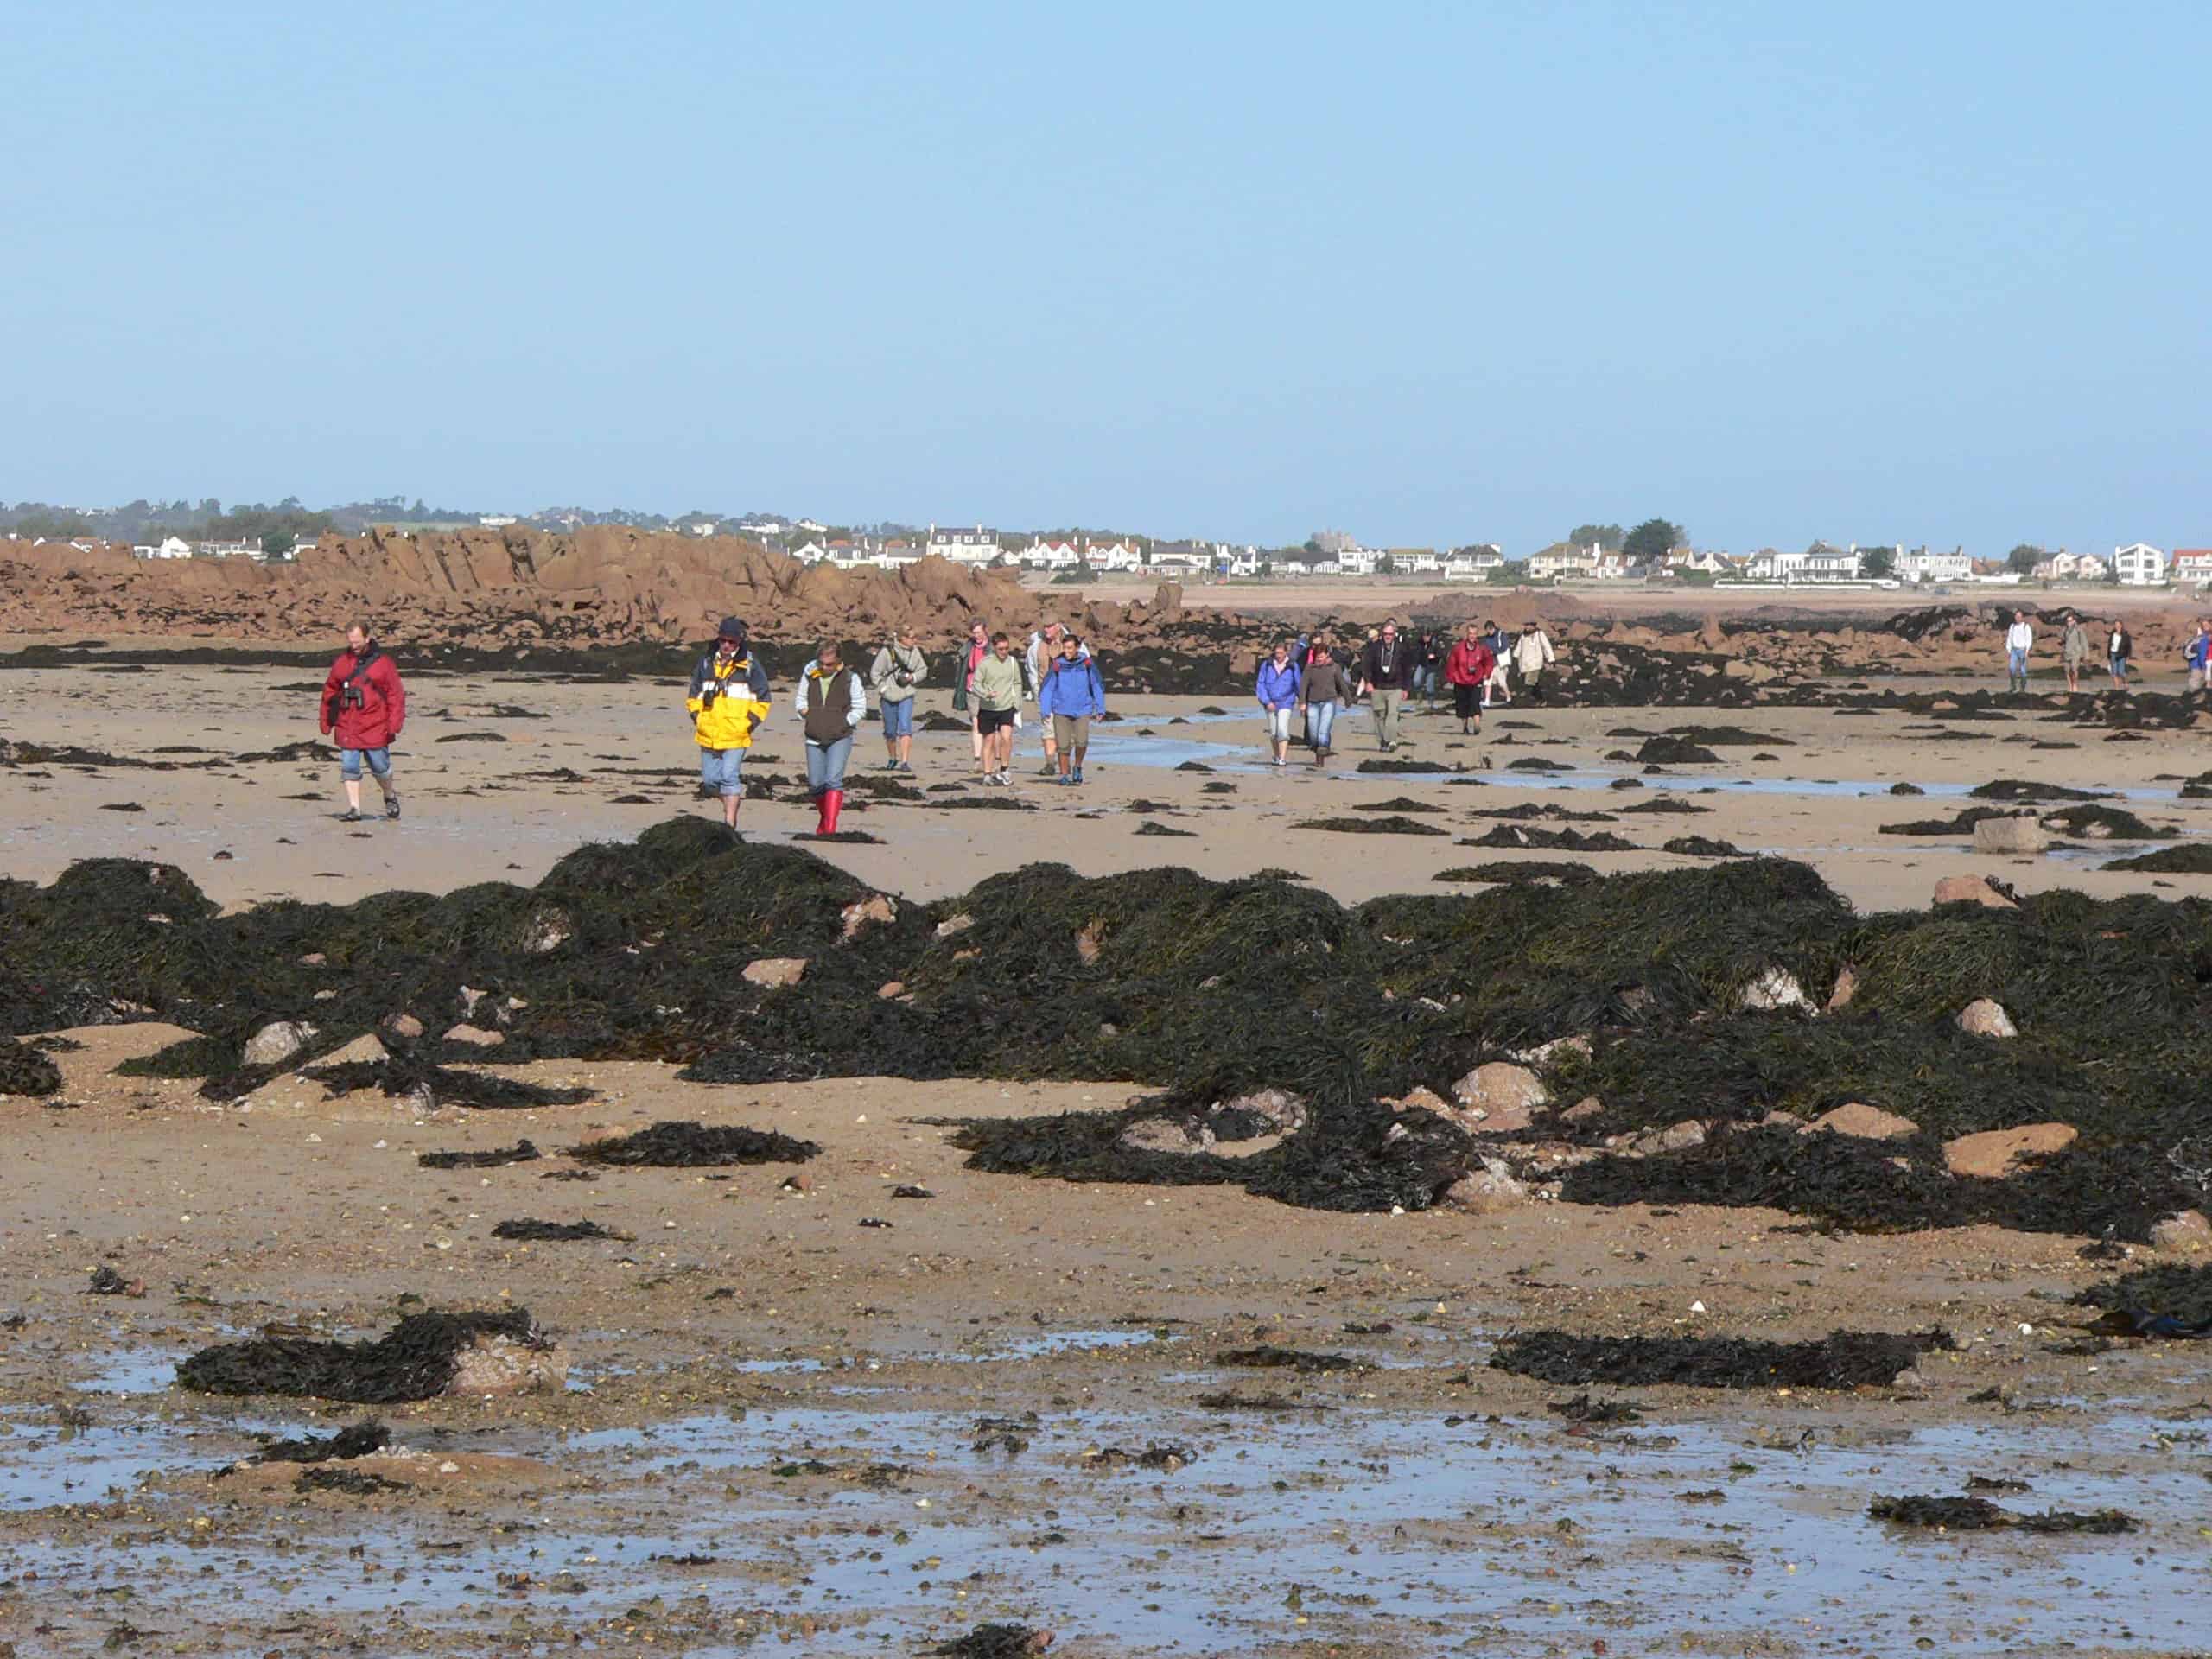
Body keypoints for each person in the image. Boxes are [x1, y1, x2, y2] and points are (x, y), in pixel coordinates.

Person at [684, 616, 772, 833]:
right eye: (723, 640)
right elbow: (694, 693)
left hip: (736, 733)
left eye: (732, 642)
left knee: (729, 776)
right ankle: (729, 806)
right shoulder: (706, 662)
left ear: (739, 641)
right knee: (711, 782)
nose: (726, 645)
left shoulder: (750, 665)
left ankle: (729, 824)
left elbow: (764, 698)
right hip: (709, 731)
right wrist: (698, 716)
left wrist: (748, 724)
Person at [319, 620, 406, 823]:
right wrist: (326, 720)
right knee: (349, 766)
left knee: (380, 767)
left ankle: (389, 795)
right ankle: (354, 808)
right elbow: (329, 691)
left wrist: (394, 724)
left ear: (368, 638)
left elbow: (396, 695)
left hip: (375, 724)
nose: (354, 646)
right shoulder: (341, 662)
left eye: (358, 642)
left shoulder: (384, 664)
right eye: (351, 642)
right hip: (347, 723)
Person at [794, 639, 866, 833]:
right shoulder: (809, 675)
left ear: (839, 661)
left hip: (840, 737)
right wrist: (807, 714)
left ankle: (830, 827)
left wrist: (844, 721)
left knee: (833, 780)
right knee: (816, 784)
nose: (825, 668)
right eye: (822, 664)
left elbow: (860, 708)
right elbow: (800, 700)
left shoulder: (851, 678)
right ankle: (825, 818)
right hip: (813, 736)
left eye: (829, 664)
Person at [1039, 631, 1106, 785]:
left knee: (1082, 742)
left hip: (1083, 709)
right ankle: (1064, 775)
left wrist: (1100, 708)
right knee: (1063, 746)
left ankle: (1077, 766)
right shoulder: (1057, 665)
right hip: (1061, 710)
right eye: (1065, 648)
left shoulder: (1087, 664)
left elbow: (1096, 685)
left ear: (1078, 648)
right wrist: (1045, 709)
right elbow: (1048, 688)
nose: (1067, 651)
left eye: (1070, 648)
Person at [869, 626, 927, 772]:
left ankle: (905, 762)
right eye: (912, 637)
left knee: (905, 727)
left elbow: (923, 670)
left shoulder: (915, 652)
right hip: (888, 696)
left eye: (915, 637)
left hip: (906, 694)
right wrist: (883, 689)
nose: (915, 640)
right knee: (890, 730)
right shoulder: (886, 652)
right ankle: (892, 758)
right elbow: (875, 673)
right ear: (902, 638)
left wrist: (912, 677)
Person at [1357, 619, 1417, 751]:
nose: (1388, 637)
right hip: (1377, 686)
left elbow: (1407, 669)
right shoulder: (1374, 648)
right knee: (1380, 715)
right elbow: (1366, 666)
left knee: (1392, 714)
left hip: (1395, 687)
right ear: (1381, 634)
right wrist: (1368, 682)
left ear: (1394, 634)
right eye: (1385, 634)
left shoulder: (1401, 649)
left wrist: (1406, 688)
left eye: (1390, 634)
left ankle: (1392, 741)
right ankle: (1383, 741)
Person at [973, 632, 1024, 784]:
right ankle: (987, 774)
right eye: (1001, 649)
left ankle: (1004, 769)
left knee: (1006, 738)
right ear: (994, 648)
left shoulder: (1013, 662)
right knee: (989, 740)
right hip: (988, 708)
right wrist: (986, 694)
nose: (1004, 652)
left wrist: (1017, 703)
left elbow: (1018, 683)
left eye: (1007, 648)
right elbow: (975, 685)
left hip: (1007, 706)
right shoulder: (985, 663)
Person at [1299, 635, 1354, 767]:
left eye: (1322, 655)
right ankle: (1318, 748)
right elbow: (1303, 686)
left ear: (1327, 655)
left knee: (1323, 730)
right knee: (1313, 733)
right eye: (1317, 655)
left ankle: (1320, 758)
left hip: (1329, 702)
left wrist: (1348, 699)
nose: (1319, 658)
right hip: (1312, 702)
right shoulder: (1309, 668)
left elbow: (1342, 683)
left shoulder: (1334, 667)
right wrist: (1302, 703)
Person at [1255, 639, 1303, 767]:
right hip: (1270, 703)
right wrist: (1266, 701)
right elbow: (1261, 684)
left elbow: (1298, 684)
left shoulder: (1293, 666)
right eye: (1277, 653)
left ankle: (1282, 758)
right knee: (1273, 733)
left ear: (1286, 653)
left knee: (1282, 730)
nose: (1279, 655)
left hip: (1286, 702)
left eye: (1281, 653)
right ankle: (1276, 755)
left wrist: (1302, 702)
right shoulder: (1266, 665)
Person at [1443, 623, 1497, 735]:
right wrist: (1451, 677)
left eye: (1475, 634)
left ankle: (1477, 725)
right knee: (1462, 704)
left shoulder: (1482, 648)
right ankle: (1465, 727)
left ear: (1477, 635)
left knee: (1475, 702)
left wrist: (1487, 673)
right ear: (1467, 634)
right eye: (1470, 633)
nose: (1472, 636)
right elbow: (1451, 664)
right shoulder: (1458, 648)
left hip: (1476, 680)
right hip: (1460, 680)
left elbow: (1489, 662)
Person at [957, 620, 990, 767]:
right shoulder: (968, 647)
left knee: (990, 726)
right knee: (976, 724)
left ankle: (992, 759)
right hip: (971, 689)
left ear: (985, 630)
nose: (976, 635)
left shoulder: (992, 647)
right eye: (974, 633)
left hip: (989, 691)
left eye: (979, 632)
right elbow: (962, 668)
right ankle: (977, 760)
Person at [1511, 619, 1556, 702]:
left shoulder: (1539, 634)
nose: (1526, 627)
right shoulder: (1523, 636)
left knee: (1530, 682)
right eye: (1526, 625)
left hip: (1535, 663)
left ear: (1533, 626)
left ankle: (1533, 700)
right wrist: (1515, 656)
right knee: (1532, 683)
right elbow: (1519, 647)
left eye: (1528, 625)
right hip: (1524, 664)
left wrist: (1551, 659)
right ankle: (1540, 699)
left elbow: (1546, 646)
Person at [1482, 619, 1513, 706]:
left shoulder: (1502, 635)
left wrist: (1494, 651)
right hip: (1490, 663)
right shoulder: (1487, 638)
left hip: (1499, 663)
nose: (1488, 632)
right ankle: (1487, 700)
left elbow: (1505, 647)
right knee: (1487, 681)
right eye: (1487, 631)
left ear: (1492, 628)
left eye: (1489, 630)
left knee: (1502, 682)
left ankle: (1508, 697)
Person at [2060, 612, 2091, 695]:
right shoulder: (2065, 629)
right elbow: (2062, 639)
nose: (2069, 623)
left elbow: (2084, 642)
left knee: (2074, 669)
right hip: (2066, 652)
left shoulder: (2079, 630)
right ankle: (2070, 686)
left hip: (2076, 652)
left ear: (2074, 621)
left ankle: (2075, 685)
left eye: (2070, 621)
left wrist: (2087, 655)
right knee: (2067, 670)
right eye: (2067, 621)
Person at [2004, 612, 2034, 693]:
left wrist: (2027, 651)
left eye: (2019, 617)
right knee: (2011, 668)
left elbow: (2029, 639)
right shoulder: (2012, 626)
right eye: (2016, 616)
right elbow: (2009, 638)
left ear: (2022, 617)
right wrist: (2009, 650)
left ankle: (2022, 688)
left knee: (2023, 669)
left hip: (2022, 650)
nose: (2018, 618)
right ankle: (2013, 687)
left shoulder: (2026, 626)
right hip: (2014, 650)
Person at [2187, 619, 2212, 696]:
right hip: (2198, 667)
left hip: (2196, 665)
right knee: (2194, 690)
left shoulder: (2200, 637)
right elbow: (2202, 655)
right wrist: (2204, 668)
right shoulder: (2203, 638)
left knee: (2200, 690)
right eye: (2204, 625)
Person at [2109, 620, 2133, 689]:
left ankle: (2125, 684)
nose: (2117, 626)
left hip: (2122, 655)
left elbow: (2129, 646)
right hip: (2113, 654)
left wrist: (2128, 655)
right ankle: (2117, 689)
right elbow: (2110, 643)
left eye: (2118, 624)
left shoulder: (2125, 635)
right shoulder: (2113, 633)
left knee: (2121, 672)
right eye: (2115, 624)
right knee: (2114, 672)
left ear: (2121, 625)